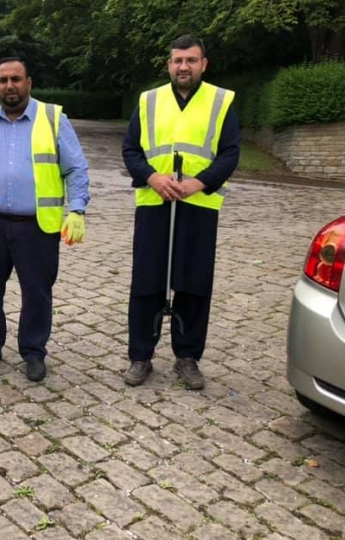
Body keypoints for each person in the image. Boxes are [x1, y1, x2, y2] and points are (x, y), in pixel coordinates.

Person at [0, 57, 90, 382]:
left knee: (37, 292)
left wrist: (78, 209)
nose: (9, 86)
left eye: (16, 79)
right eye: (3, 80)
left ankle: (33, 351)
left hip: (37, 226)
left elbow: (76, 168)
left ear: (29, 82)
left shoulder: (53, 118)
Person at [122, 35, 240, 390]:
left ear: (204, 64)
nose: (183, 66)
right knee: (147, 282)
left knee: (194, 283)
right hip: (154, 204)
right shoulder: (148, 101)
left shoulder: (221, 101)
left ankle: (186, 357)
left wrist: (198, 183)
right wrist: (152, 177)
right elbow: (130, 150)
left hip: (198, 207)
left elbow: (230, 154)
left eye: (190, 60)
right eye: (177, 61)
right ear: (169, 64)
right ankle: (140, 356)